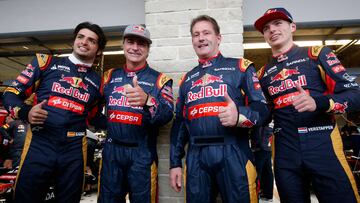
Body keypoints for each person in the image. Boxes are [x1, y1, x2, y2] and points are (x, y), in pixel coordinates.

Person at [254, 7, 360, 203]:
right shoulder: (262, 74)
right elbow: (263, 114)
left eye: (278, 23)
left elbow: (355, 94)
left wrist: (319, 102)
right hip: (285, 150)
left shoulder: (317, 54)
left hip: (322, 143)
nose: (272, 30)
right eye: (266, 28)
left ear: (292, 27)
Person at [2, 21, 107, 203]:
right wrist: (26, 112)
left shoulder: (99, 83)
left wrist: (130, 123)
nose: (84, 42)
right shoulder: (46, 63)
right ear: (74, 40)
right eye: (80, 37)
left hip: (74, 149)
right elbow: (11, 94)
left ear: (98, 50)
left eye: (91, 40)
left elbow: (96, 117)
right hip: (40, 143)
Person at [169, 15, 269, 203]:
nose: (201, 38)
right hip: (196, 156)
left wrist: (240, 115)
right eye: (196, 34)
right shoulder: (187, 79)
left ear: (218, 38)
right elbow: (180, 124)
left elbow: (263, 109)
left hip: (234, 151)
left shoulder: (240, 67)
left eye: (206, 32)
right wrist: (175, 163)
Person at [98, 24, 174, 203]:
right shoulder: (109, 77)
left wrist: (148, 100)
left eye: (141, 43)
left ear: (148, 49)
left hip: (142, 154)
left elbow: (168, 115)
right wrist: (109, 123)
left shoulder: (160, 80)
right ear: (123, 45)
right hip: (111, 152)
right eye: (130, 42)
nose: (135, 47)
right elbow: (91, 108)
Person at [251, 122, 274, 201]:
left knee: (257, 172)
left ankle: (256, 195)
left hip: (260, 148)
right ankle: (268, 195)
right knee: (268, 171)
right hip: (268, 147)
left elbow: (258, 132)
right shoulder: (271, 118)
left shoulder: (263, 117)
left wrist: (255, 146)